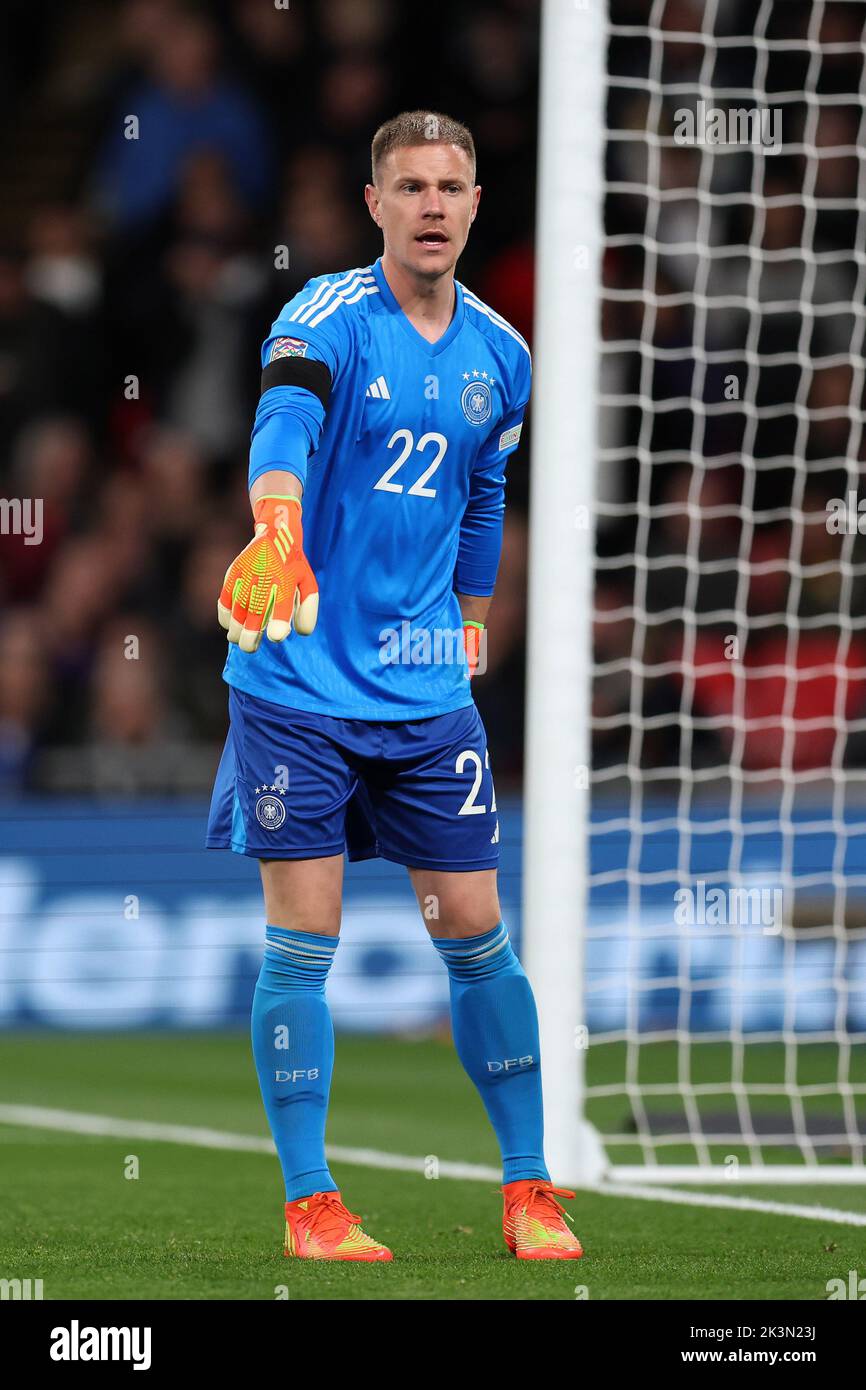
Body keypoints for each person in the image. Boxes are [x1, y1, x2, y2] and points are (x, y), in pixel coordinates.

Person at [206, 110, 583, 1262]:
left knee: (476, 932)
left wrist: (469, 621)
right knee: (301, 940)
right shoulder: (323, 316)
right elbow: (284, 417)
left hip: (425, 693)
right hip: (299, 682)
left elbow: (480, 499)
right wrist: (277, 524)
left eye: (450, 186)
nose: (431, 204)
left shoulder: (501, 355)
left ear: (475, 205)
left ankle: (528, 1189)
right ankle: (311, 1204)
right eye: (409, 184)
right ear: (373, 204)